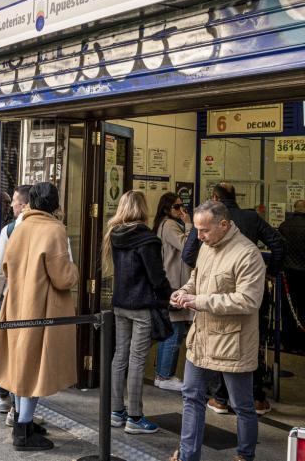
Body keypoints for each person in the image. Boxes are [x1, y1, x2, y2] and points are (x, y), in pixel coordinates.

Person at [0, 182, 79, 451]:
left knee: (19, 365)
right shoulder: (54, 229)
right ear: (55, 204)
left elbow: (1, 267)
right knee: (36, 368)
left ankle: (21, 423)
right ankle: (23, 429)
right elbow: (62, 278)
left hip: (16, 304)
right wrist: (75, 271)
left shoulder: (19, 227)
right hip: (42, 307)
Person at [169, 201, 265, 461]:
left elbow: (248, 300)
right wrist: (185, 292)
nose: (198, 236)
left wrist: (198, 301)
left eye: (204, 230)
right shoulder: (206, 247)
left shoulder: (247, 254)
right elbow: (195, 279)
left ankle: (244, 456)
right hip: (201, 337)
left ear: (223, 225)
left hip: (233, 343)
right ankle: (188, 456)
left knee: (242, 406)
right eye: (197, 230)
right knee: (191, 397)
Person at [182, 182, 283, 415]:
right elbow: (277, 243)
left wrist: (200, 289)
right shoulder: (251, 218)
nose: (202, 236)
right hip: (242, 297)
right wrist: (271, 273)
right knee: (247, 345)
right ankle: (256, 397)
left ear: (215, 198)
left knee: (219, 347)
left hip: (222, 299)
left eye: (204, 232)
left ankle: (219, 398)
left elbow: (188, 255)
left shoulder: (220, 234)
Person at [105, 191, 172, 435]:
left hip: (121, 303)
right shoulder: (146, 238)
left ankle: (115, 411)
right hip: (142, 305)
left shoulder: (115, 234)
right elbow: (156, 276)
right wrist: (169, 294)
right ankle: (134, 416)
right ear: (143, 208)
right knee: (136, 359)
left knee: (120, 355)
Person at [0, 185, 31, 417]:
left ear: (24, 204)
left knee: (6, 351)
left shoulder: (9, 229)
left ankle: (7, 401)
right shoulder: (53, 229)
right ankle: (17, 409)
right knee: (23, 355)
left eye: (15, 201)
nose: (12, 205)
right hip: (36, 302)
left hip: (11, 299)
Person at [153, 192, 193, 392]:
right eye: (177, 207)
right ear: (167, 209)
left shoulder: (165, 224)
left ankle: (162, 373)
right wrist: (189, 224)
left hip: (172, 283)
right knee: (174, 331)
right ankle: (164, 375)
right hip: (174, 284)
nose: (181, 210)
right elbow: (187, 247)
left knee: (171, 330)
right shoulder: (169, 225)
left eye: (182, 206)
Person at [278, 199, 305, 353]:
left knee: (288, 310)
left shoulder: (284, 226)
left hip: (287, 274)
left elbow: (278, 248)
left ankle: (288, 341)